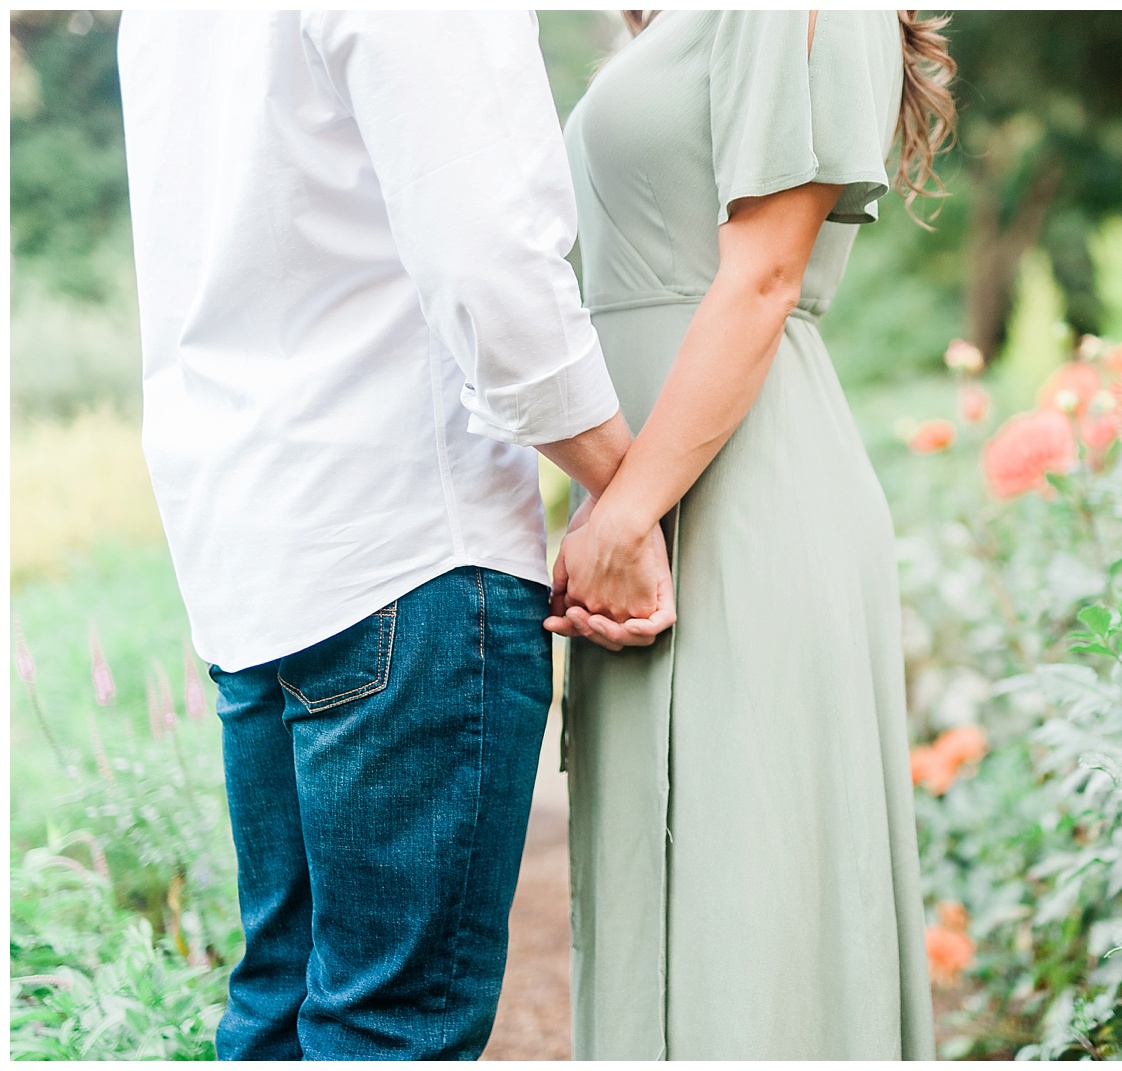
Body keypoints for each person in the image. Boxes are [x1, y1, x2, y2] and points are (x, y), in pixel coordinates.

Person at [117, 12, 672, 1060]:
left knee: (282, 1009)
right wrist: (623, 490)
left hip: (252, 546)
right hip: (407, 538)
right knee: (385, 1031)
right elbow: (488, 259)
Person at [548, 9, 957, 1059]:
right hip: (653, 493)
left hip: (737, 504)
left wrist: (628, 511)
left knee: (752, 943)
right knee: (666, 918)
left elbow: (766, 274)